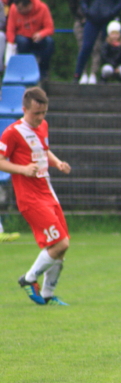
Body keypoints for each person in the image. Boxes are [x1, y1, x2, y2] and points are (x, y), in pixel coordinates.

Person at [0, 87, 71, 306]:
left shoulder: (43, 126)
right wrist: (22, 169)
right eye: (36, 113)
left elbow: (43, 150)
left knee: (60, 248)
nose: (40, 118)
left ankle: (48, 295)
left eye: (43, 113)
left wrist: (57, 162)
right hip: (30, 198)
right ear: (24, 110)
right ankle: (29, 278)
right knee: (60, 244)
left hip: (48, 192)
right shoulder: (12, 132)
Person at [74, 0, 121, 83]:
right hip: (92, 20)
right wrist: (87, 12)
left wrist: (112, 13)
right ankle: (77, 74)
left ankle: (103, 76)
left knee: (106, 47)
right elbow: (84, 1)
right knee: (86, 46)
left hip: (107, 20)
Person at [6, 0, 55, 79]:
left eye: (20, 9)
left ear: (28, 6)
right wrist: (10, 43)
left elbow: (50, 28)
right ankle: (24, 69)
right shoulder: (14, 9)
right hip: (22, 37)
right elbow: (10, 28)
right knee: (22, 42)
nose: (18, 11)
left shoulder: (42, 8)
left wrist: (41, 34)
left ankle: (43, 71)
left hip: (37, 38)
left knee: (49, 42)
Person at [69, 0, 101, 84]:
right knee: (82, 47)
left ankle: (93, 73)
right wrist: (80, 18)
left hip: (95, 22)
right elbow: (72, 6)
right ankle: (83, 72)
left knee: (96, 48)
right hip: (81, 22)